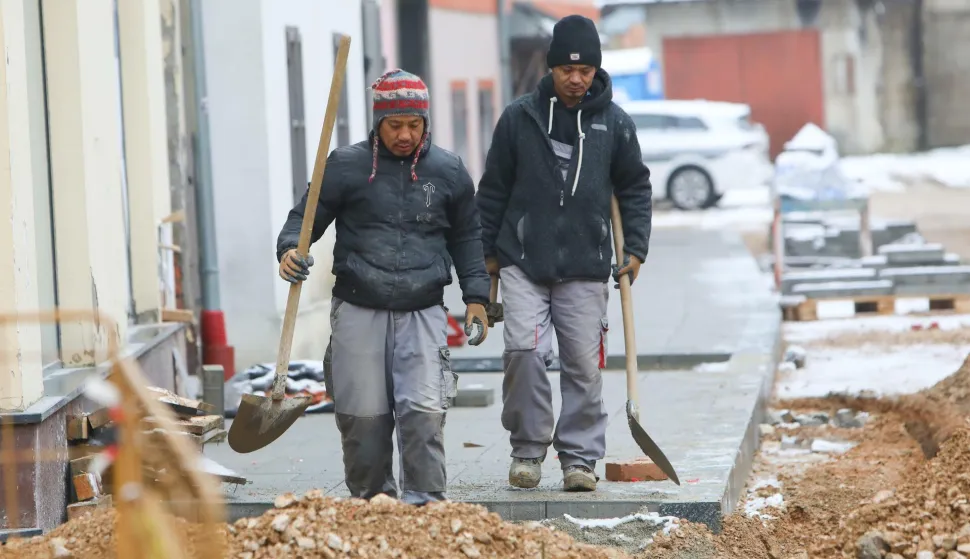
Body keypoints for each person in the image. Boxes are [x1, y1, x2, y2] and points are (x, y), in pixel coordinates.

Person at [276, 69, 491, 505]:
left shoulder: (447, 171)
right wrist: (288, 250)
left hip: (424, 311)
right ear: (378, 122)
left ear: (426, 123)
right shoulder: (345, 166)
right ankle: (373, 503)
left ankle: (426, 504)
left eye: (415, 124)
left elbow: (468, 238)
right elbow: (305, 219)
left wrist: (477, 298)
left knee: (424, 414)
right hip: (358, 308)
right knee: (362, 416)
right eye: (396, 125)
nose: (406, 134)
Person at [476, 14, 653, 492]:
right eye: (566, 70)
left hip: (586, 263)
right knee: (525, 354)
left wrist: (635, 247)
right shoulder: (519, 118)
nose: (576, 79)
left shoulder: (614, 124)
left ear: (596, 71)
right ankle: (528, 451)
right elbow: (492, 191)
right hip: (522, 259)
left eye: (586, 71)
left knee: (582, 364)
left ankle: (579, 459)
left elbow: (635, 187)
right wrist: (486, 254)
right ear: (551, 68)